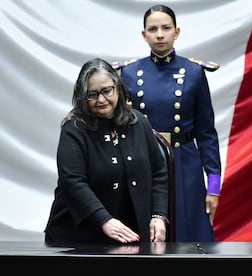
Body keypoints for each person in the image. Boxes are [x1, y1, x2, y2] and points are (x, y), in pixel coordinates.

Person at [116, 4, 221, 242]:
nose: (160, 34)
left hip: (184, 161)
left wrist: (213, 186)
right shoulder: (130, 73)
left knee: (188, 237)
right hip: (144, 160)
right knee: (144, 235)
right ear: (144, 35)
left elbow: (206, 133)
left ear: (177, 31)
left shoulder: (193, 72)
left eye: (166, 28)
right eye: (153, 29)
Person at [44, 57, 169, 246]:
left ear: (117, 87)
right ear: (82, 96)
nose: (101, 99)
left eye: (106, 91)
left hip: (132, 235)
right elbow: (73, 182)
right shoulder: (74, 128)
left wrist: (158, 215)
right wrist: (103, 219)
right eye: (92, 94)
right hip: (78, 238)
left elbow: (159, 172)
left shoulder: (139, 122)